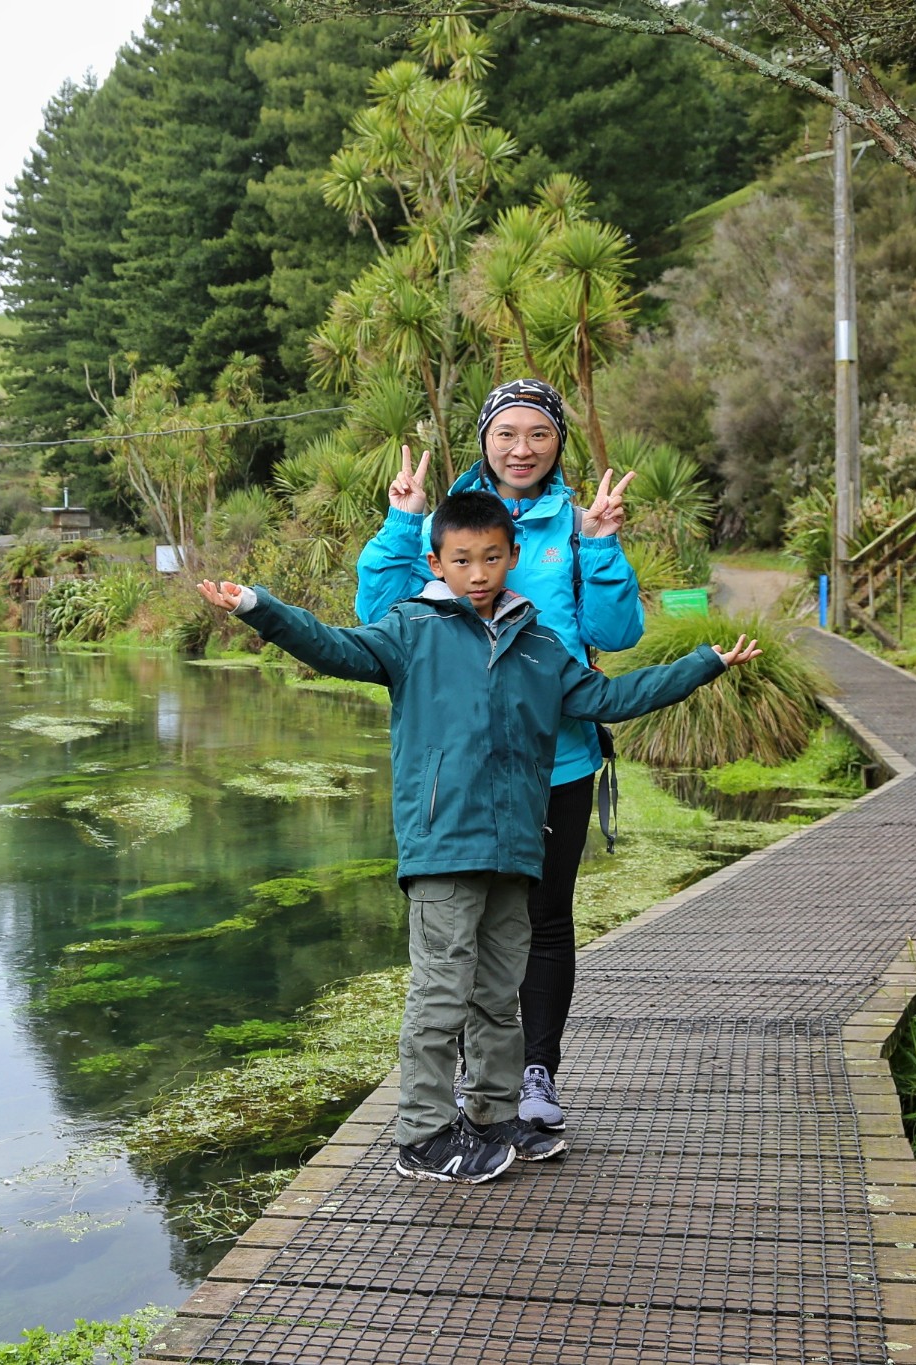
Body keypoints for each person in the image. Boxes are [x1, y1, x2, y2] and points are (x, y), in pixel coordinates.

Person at [198, 492, 760, 1183]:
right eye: (462, 559)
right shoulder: (410, 630)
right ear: (436, 561)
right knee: (441, 994)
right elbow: (333, 647)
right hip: (443, 845)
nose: (478, 572)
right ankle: (423, 1134)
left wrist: (703, 663)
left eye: (492, 556)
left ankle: (494, 1118)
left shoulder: (542, 645)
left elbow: (610, 700)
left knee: (498, 995)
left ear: (513, 557)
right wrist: (260, 606)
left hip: (516, 845)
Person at [355, 378, 637, 1133]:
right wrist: (400, 522)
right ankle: (465, 1078)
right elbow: (377, 617)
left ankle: (533, 1073)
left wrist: (603, 544)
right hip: (462, 767)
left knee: (544, 921)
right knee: (460, 922)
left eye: (538, 433)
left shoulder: (578, 523)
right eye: (506, 432)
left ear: (558, 443)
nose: (522, 448)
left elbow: (616, 633)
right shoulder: (444, 522)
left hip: (558, 761)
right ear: (484, 438)